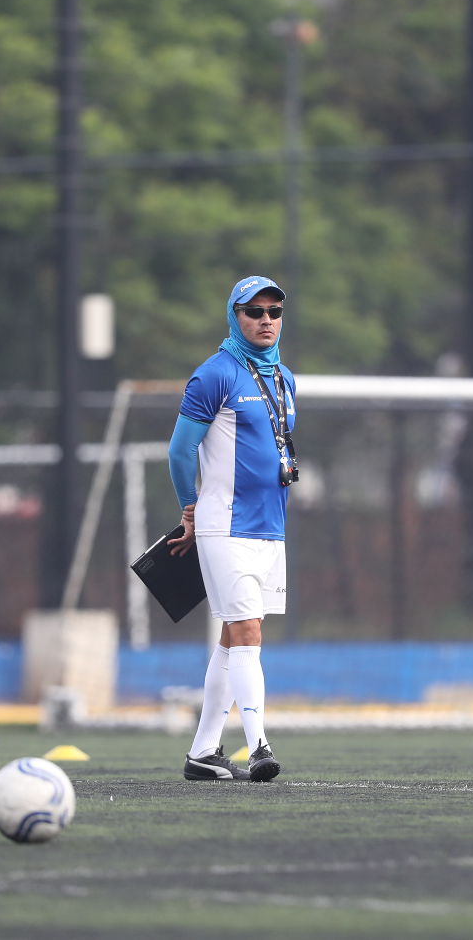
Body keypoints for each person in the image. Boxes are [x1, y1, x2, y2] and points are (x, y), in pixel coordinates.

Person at [167, 276, 296, 784]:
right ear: (235, 316)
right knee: (248, 632)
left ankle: (202, 752)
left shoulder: (284, 377)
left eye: (274, 311)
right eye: (254, 311)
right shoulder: (213, 374)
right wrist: (189, 509)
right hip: (225, 525)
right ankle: (258, 745)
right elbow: (180, 451)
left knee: (231, 635)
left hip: (269, 529)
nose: (266, 319)